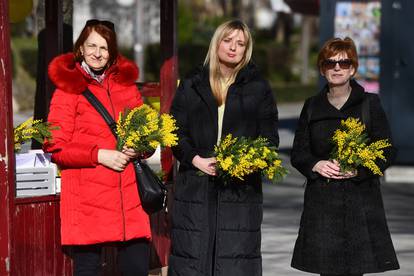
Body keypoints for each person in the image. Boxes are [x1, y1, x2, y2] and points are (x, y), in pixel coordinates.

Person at [168, 19, 279, 276]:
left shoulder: (258, 87)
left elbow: (269, 138)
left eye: (240, 43)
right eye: (228, 41)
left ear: (246, 49)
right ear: (216, 43)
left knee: (236, 264)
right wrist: (195, 159)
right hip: (195, 188)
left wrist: (246, 163)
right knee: (193, 261)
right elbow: (175, 132)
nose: (233, 48)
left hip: (240, 191)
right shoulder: (192, 84)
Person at [44, 19, 150, 276]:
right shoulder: (67, 90)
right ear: (80, 48)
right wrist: (99, 155)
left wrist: (141, 148)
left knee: (136, 267)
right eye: (91, 45)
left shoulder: (126, 87)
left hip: (129, 201)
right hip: (88, 200)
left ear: (112, 51)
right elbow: (55, 147)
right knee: (88, 270)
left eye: (104, 48)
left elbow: (149, 135)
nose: (97, 53)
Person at [290, 37, 400, 276]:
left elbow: (388, 149)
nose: (337, 68)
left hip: (360, 203)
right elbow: (298, 152)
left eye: (343, 63)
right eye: (330, 63)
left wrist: (360, 170)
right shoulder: (311, 106)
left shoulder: (369, 104)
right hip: (322, 205)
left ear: (352, 69)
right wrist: (315, 164)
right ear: (322, 69)